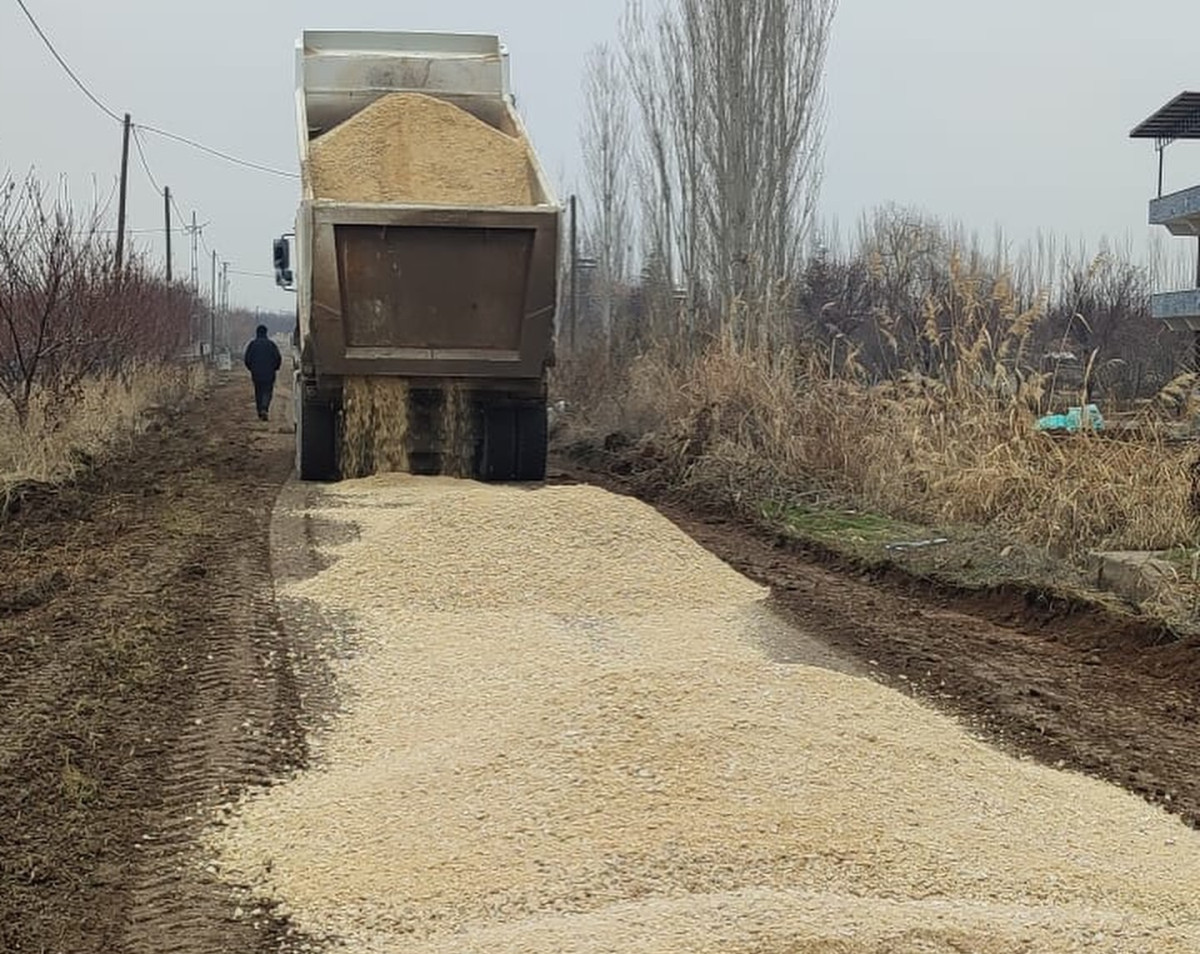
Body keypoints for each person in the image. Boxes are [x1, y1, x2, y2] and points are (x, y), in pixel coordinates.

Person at [243, 325, 282, 421]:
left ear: (257, 332)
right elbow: (278, 358)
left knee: (258, 392)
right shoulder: (271, 344)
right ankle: (265, 408)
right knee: (267, 391)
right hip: (269, 373)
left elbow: (247, 359)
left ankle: (260, 411)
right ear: (266, 332)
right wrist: (275, 368)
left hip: (256, 373)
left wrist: (251, 369)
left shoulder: (252, 344)